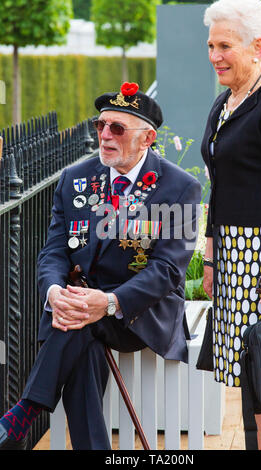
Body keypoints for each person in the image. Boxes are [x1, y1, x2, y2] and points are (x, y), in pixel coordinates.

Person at [0, 82, 201, 450]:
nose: (105, 136)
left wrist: (107, 302)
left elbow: (167, 271)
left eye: (118, 129)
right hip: (80, 309)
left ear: (148, 138)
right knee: (82, 331)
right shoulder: (74, 178)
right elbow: (54, 252)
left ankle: (24, 412)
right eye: (101, 126)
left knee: (79, 322)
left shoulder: (179, 188)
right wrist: (54, 290)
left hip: (139, 312)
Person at [201, 0, 261, 451]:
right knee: (246, 372)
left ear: (258, 46)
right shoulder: (226, 101)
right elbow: (219, 186)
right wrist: (210, 255)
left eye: (225, 45)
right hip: (232, 255)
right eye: (211, 45)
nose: (214, 55)